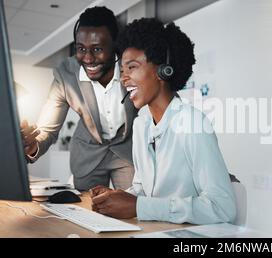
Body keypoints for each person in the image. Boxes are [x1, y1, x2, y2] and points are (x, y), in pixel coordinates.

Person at [90, 18, 236, 224]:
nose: (124, 78)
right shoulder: (142, 125)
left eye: (132, 67)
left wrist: (138, 206)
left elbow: (222, 208)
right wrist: (115, 198)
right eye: (122, 71)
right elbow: (143, 189)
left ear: (162, 70)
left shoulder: (192, 122)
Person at [20, 7, 137, 191]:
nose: (88, 58)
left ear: (115, 45)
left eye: (97, 49)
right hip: (88, 153)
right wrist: (34, 145)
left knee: (132, 209)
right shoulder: (65, 75)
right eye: (81, 49)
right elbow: (47, 129)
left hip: (126, 152)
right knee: (86, 210)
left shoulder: (132, 65)